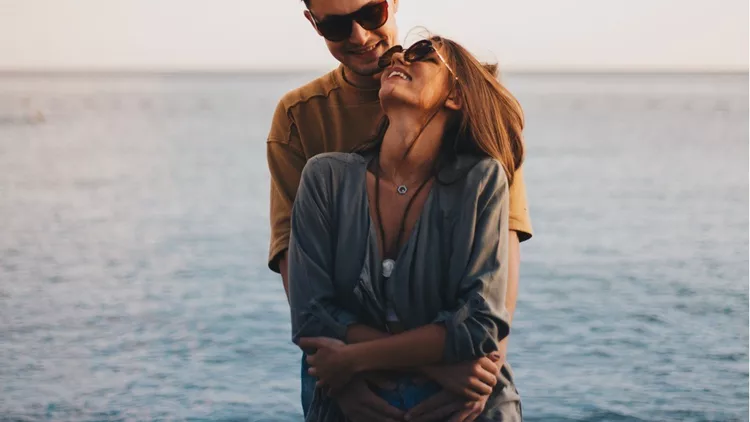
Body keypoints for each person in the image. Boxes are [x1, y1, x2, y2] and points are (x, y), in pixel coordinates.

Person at [266, 0, 533, 419]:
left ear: (391, 2)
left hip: (459, 382)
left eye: (370, 14)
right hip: (349, 376)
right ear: (313, 24)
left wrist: (480, 373)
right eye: (335, 26)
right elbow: (298, 275)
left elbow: (499, 272)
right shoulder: (302, 120)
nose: (358, 36)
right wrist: (348, 375)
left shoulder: (481, 163)